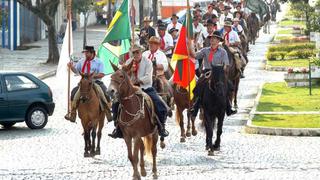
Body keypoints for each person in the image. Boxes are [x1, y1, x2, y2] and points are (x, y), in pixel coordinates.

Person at [108, 44, 169, 138]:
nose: (135, 54)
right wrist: (127, 71)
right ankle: (117, 127)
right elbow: (122, 75)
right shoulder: (128, 62)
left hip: (145, 88)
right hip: (130, 89)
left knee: (160, 105)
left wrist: (138, 80)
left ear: (141, 52)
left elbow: (148, 77)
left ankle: (161, 127)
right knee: (116, 104)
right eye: (133, 53)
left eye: (137, 52)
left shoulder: (148, 62)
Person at [188, 31, 237, 120]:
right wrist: (190, 45)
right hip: (207, 72)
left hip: (219, 72)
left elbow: (226, 64)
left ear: (218, 41)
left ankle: (229, 107)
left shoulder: (223, 52)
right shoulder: (205, 50)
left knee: (229, 86)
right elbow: (194, 55)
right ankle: (195, 107)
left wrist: (221, 71)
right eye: (211, 38)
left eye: (215, 38)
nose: (212, 40)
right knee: (198, 86)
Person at [64, 46, 111, 122]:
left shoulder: (99, 62)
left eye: (87, 53)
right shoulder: (81, 61)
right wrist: (71, 67)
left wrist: (92, 75)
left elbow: (102, 74)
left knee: (104, 93)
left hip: (96, 82)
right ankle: (72, 113)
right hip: (84, 84)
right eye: (84, 53)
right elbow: (76, 71)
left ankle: (108, 112)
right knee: (74, 93)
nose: (85, 54)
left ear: (92, 53)